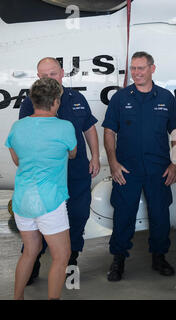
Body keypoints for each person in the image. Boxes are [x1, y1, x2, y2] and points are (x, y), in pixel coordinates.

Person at [102, 51, 176, 281]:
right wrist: (113, 163)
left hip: (158, 169)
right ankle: (118, 259)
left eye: (141, 68)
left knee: (160, 214)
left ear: (152, 69)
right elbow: (109, 131)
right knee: (123, 214)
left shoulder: (166, 98)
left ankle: (159, 257)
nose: (136, 73)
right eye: (133, 69)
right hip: (127, 169)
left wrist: (175, 164)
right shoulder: (120, 98)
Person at [19, 57, 100, 284]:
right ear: (38, 78)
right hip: (46, 177)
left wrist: (95, 156)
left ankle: (71, 261)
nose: (49, 79)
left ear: (62, 73)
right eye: (43, 75)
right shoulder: (29, 103)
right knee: (39, 220)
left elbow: (89, 127)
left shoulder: (77, 98)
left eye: (53, 74)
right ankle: (32, 261)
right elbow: (25, 137)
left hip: (75, 173)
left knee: (78, 215)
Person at [7, 78, 77, 299]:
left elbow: (17, 160)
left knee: (30, 251)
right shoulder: (65, 127)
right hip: (50, 202)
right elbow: (73, 153)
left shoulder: (17, 127)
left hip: (22, 201)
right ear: (55, 101)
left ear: (33, 100)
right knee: (61, 256)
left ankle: (17, 297)